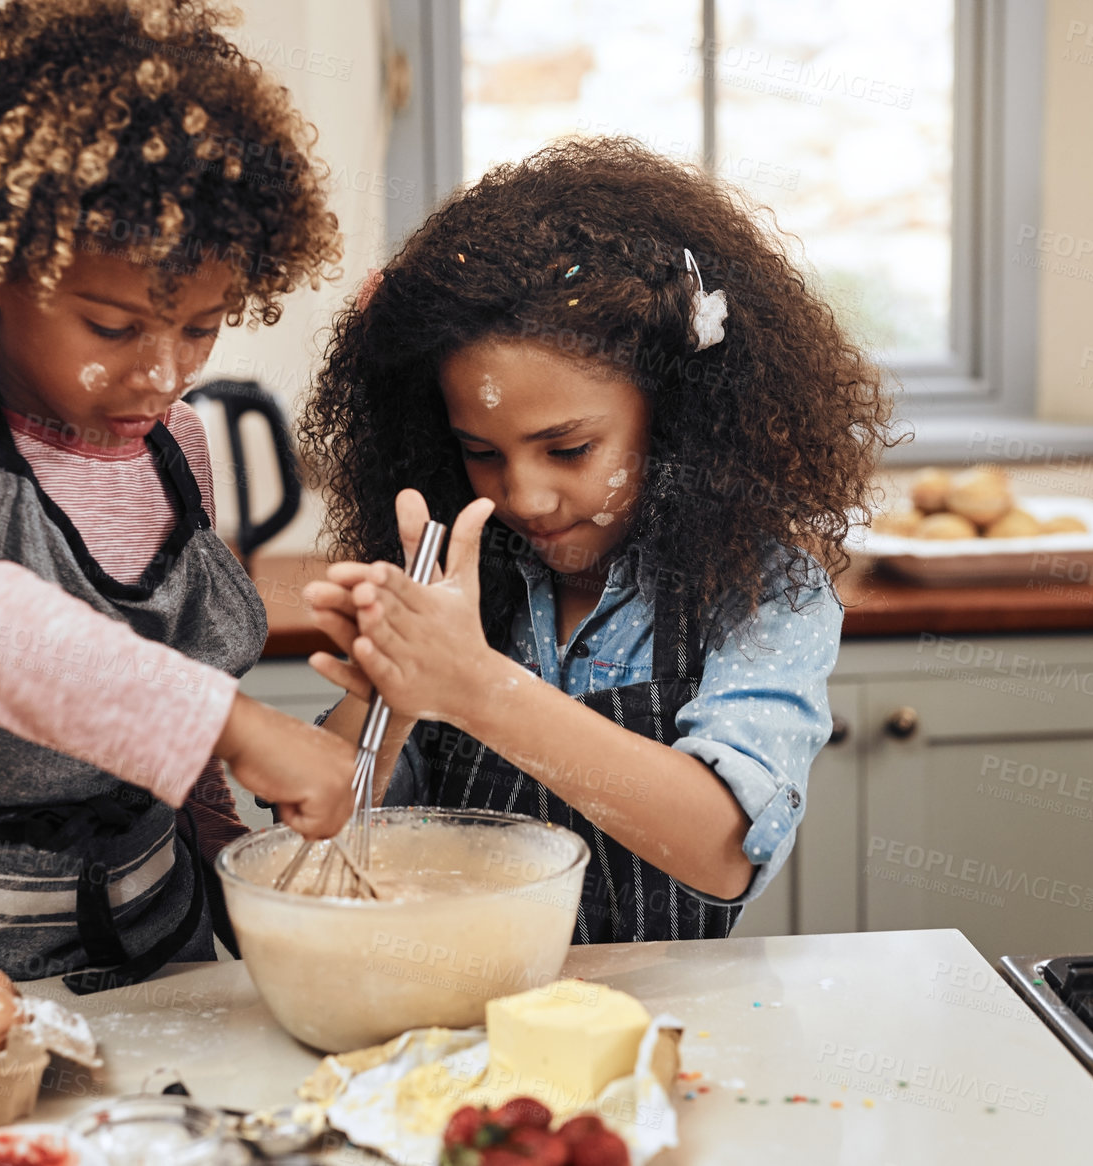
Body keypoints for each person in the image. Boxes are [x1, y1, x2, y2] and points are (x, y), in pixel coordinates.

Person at [0, 0, 356, 989]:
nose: (163, 373)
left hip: (158, 945)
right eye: (113, 326)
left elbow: (169, 707)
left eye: (202, 328)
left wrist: (238, 881)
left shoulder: (176, 445)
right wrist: (231, 720)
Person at [298, 138, 892, 943]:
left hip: (666, 1026)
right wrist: (385, 702)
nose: (524, 496)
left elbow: (723, 850)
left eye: (570, 449)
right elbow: (323, 835)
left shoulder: (765, 592)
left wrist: (477, 687)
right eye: (481, 453)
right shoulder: (448, 571)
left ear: (677, 416)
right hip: (463, 1005)